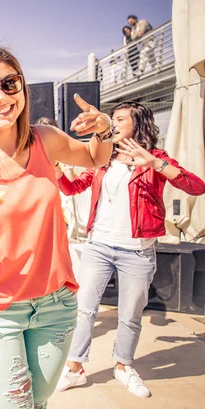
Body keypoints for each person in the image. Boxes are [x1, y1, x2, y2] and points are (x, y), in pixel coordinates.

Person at [0, 46, 114, 409]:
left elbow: (96, 157)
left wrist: (105, 128)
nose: (1, 97)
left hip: (56, 304)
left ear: (22, 88)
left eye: (10, 84)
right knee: (15, 405)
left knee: (38, 402)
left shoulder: (44, 141)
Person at [55, 101, 205, 398]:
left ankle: (123, 366)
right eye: (113, 118)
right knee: (83, 309)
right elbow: (72, 188)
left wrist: (154, 164)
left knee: (130, 314)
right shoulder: (103, 159)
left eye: (120, 119)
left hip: (137, 250)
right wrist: (57, 166)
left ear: (138, 124)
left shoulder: (156, 158)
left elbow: (196, 187)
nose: (113, 122)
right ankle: (75, 369)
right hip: (98, 246)